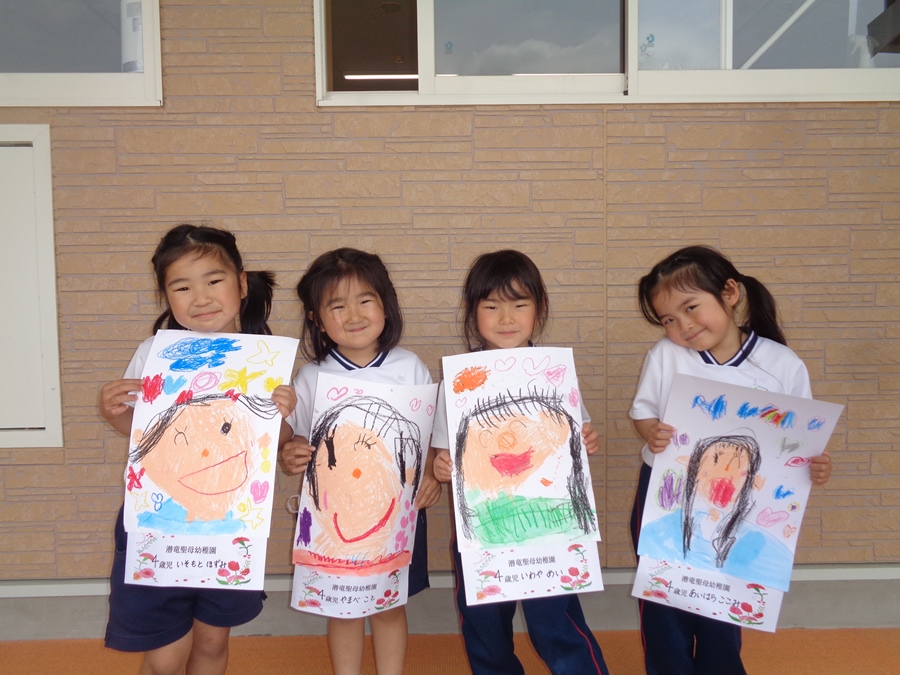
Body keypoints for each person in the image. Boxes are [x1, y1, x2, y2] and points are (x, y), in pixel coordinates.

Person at [99, 224, 297, 675]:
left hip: (229, 524)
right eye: (182, 287)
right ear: (166, 295)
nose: (201, 298)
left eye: (214, 280)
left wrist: (282, 416)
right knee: (165, 655)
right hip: (159, 522)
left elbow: (275, 445)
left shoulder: (265, 359)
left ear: (241, 284)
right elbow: (144, 437)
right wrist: (114, 414)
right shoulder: (154, 353)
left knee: (211, 642)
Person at [629, 244, 833, 675]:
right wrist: (651, 432)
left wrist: (817, 466)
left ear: (730, 292)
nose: (682, 326)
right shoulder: (665, 355)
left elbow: (802, 442)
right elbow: (642, 413)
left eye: (691, 308)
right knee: (664, 602)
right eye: (668, 319)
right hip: (664, 495)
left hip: (743, 507)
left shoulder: (781, 364)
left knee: (722, 604)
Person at [432, 249, 610, 675]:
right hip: (482, 529)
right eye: (491, 306)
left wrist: (586, 439)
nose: (506, 318)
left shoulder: (553, 373)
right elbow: (443, 455)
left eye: (519, 304)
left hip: (550, 526)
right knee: (485, 626)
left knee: (556, 625)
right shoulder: (456, 381)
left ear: (539, 308)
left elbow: (574, 436)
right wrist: (441, 468)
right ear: (473, 311)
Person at [279, 248, 441, 675]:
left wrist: (431, 475)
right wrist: (290, 453)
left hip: (396, 514)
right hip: (335, 516)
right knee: (342, 608)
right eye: (337, 305)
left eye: (365, 300)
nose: (353, 315)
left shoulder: (410, 367)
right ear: (316, 319)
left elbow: (428, 436)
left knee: (389, 605)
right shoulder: (311, 377)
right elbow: (297, 438)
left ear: (386, 304)